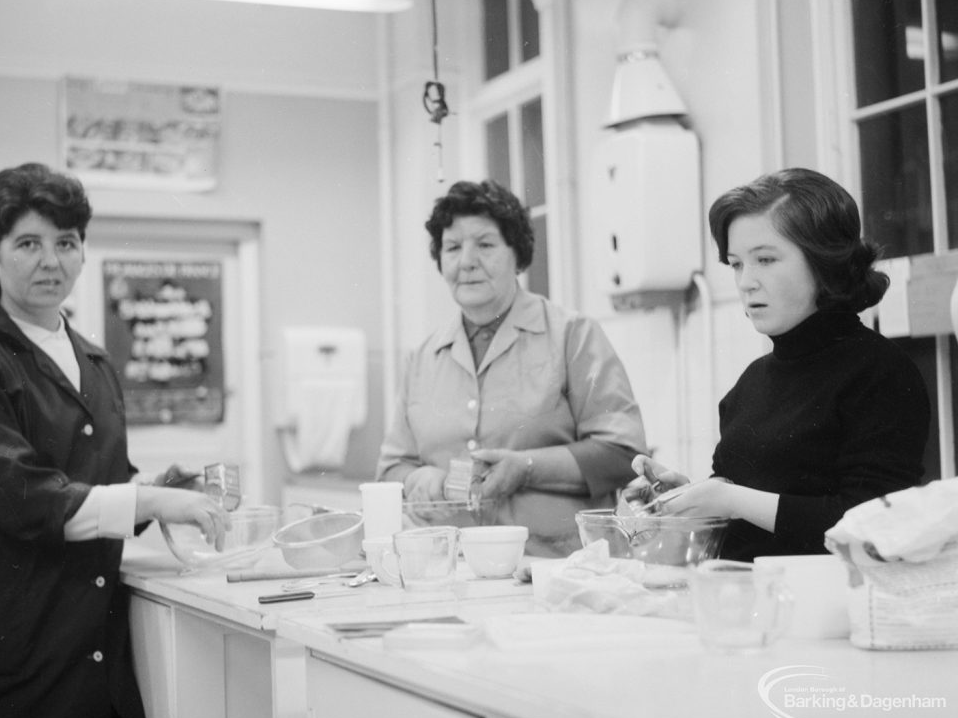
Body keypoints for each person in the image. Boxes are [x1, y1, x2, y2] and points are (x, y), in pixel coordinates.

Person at [0, 163, 231, 718]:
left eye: (66, 243)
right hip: (1, 684)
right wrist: (150, 499)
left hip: (85, 666)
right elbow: (30, 499)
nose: (51, 261)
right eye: (28, 244)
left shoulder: (91, 360)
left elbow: (97, 487)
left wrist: (163, 490)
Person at [631, 167, 930, 561]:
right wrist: (686, 498)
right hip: (740, 602)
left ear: (826, 264)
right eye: (736, 264)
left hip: (831, 610)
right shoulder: (752, 382)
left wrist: (731, 499)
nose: (746, 282)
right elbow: (747, 513)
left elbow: (872, 525)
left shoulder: (881, 372)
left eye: (766, 259)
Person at [376, 179, 648, 557]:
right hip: (443, 565)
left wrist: (527, 467)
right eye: (452, 247)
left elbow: (622, 453)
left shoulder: (572, 335)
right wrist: (424, 480)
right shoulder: (423, 357)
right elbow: (391, 471)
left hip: (554, 563)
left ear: (517, 255)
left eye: (485, 245)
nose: (466, 261)